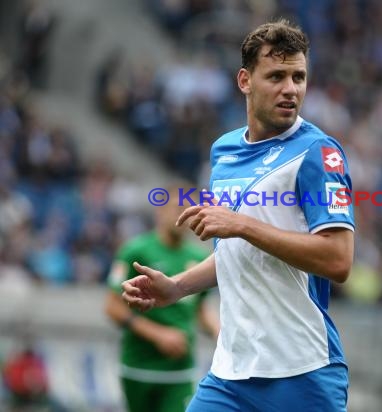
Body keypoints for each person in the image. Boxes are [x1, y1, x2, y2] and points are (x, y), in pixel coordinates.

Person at [122, 19, 355, 411]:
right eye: (276, 76)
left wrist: (242, 225)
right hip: (230, 375)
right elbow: (237, 254)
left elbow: (338, 259)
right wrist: (177, 288)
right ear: (245, 81)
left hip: (302, 373)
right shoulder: (224, 151)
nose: (290, 89)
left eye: (299, 77)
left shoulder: (318, 153)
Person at [105, 185, 220, 412]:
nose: (184, 213)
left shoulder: (199, 258)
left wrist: (221, 334)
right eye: (178, 207)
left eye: (190, 208)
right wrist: (158, 335)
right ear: (160, 211)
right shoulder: (136, 251)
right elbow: (112, 307)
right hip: (139, 365)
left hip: (180, 370)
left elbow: (199, 309)